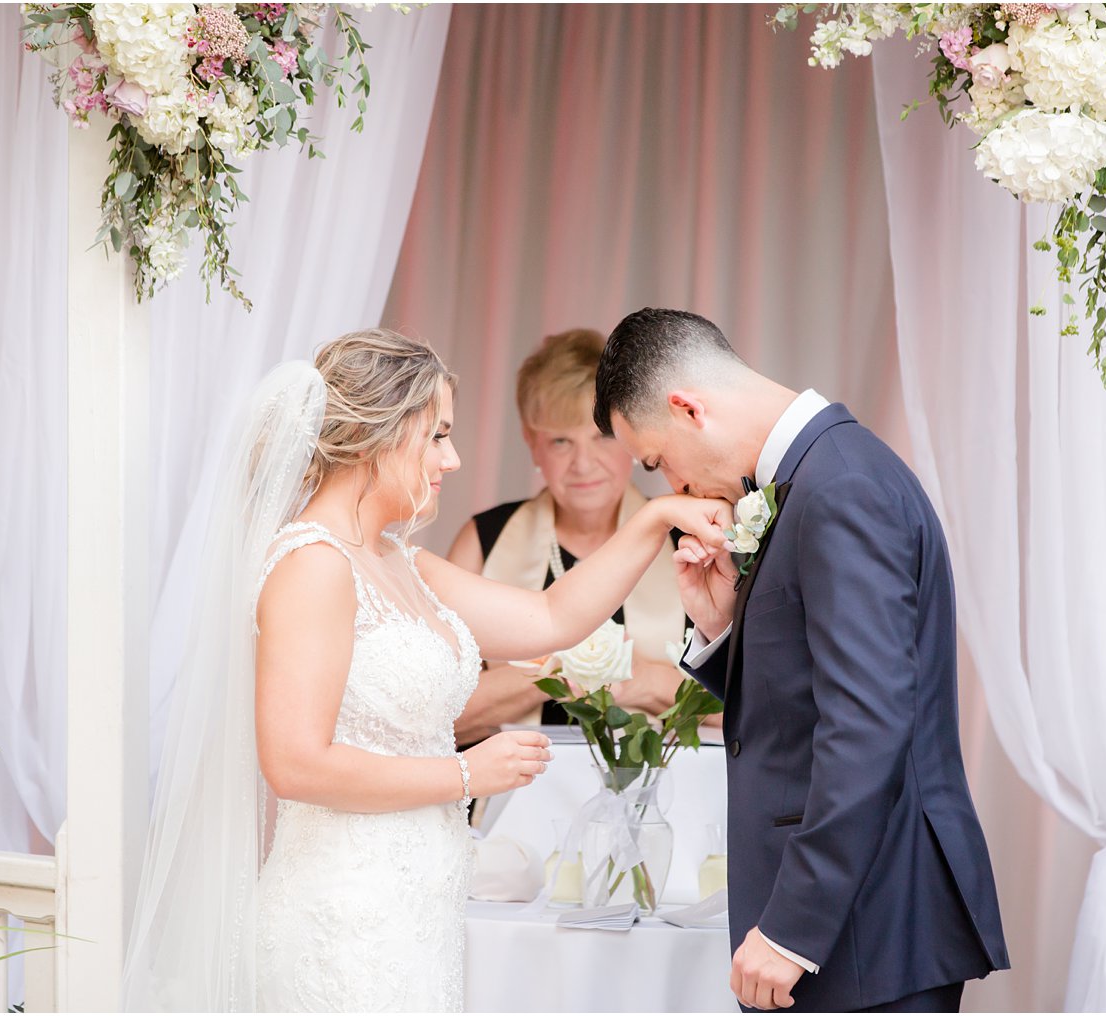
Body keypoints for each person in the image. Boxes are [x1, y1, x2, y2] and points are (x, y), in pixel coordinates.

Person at [122, 329, 732, 1012]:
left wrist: (659, 521)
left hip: (412, 921)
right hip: (342, 924)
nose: (454, 458)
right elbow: (294, 762)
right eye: (437, 436)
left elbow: (552, 619)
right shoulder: (313, 565)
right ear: (381, 435)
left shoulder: (401, 561)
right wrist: (469, 774)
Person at [594, 309, 1009, 1013]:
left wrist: (792, 929)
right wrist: (720, 627)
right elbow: (807, 700)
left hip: (865, 924)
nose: (673, 488)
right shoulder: (816, 479)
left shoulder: (841, 488)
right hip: (855, 923)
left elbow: (869, 725)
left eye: (660, 462)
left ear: (688, 409)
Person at [447, 328, 693, 746]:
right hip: (513, 800)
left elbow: (743, 709)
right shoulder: (483, 539)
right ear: (531, 442)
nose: (584, 464)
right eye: (561, 441)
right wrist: (563, 666)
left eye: (602, 437)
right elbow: (432, 717)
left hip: (657, 802)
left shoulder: (685, 540)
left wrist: (645, 681)